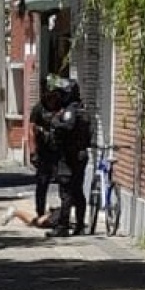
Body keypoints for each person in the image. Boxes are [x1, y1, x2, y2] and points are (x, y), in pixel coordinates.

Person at [47, 80, 91, 238]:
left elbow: (68, 126)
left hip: (70, 156)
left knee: (66, 192)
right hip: (80, 155)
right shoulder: (83, 110)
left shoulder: (71, 110)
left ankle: (63, 226)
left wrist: (55, 122)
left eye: (62, 93)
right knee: (77, 191)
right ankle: (79, 225)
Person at [29, 86, 62, 218]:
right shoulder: (38, 108)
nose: (52, 99)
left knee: (63, 182)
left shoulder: (61, 106)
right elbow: (31, 130)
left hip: (58, 151)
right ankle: (40, 211)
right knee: (42, 182)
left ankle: (62, 213)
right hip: (43, 151)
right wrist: (33, 152)